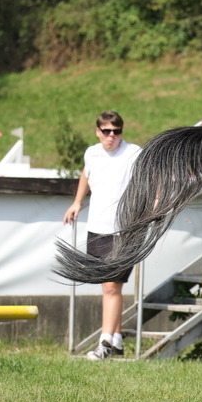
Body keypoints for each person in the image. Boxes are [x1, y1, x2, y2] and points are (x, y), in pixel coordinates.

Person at [63, 111, 141, 360]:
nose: (112, 137)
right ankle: (116, 339)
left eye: (116, 131)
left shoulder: (133, 152)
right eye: (106, 131)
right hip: (97, 227)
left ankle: (104, 342)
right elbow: (86, 175)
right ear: (98, 131)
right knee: (106, 287)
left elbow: (149, 180)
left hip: (124, 229)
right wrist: (77, 202)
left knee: (111, 287)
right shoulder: (92, 153)